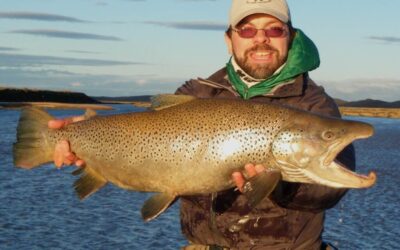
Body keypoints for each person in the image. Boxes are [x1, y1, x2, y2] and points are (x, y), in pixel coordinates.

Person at [49, 0, 354, 249]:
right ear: (229, 38)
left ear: (290, 36)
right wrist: (84, 134)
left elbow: (329, 193)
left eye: (273, 29)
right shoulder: (198, 92)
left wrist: (277, 184)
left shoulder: (314, 105)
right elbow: (143, 134)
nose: (261, 39)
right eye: (247, 30)